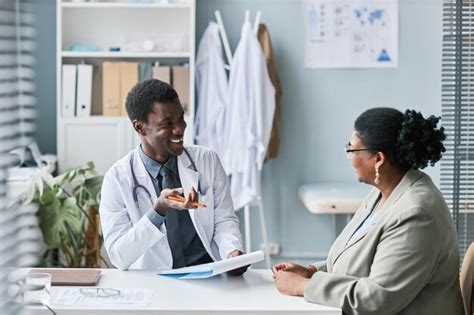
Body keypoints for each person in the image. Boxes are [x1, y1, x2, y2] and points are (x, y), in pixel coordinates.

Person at [272, 108, 464, 314]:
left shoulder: (417, 214)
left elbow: (377, 297)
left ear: (378, 159)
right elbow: (363, 263)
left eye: (352, 149)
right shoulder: (383, 193)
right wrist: (311, 272)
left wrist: (303, 286)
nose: (348, 157)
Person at [99, 79, 247, 275]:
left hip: (207, 274)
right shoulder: (117, 179)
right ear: (140, 128)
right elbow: (119, 256)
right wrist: (157, 211)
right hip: (153, 281)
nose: (179, 129)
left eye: (181, 118)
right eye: (167, 124)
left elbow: (224, 220)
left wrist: (232, 253)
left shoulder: (207, 161)